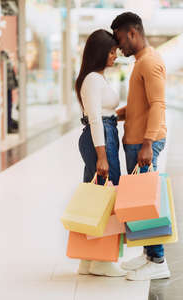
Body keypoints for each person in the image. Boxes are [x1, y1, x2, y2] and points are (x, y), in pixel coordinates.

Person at [111, 12, 170, 281]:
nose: (119, 45)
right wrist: (117, 115)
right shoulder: (141, 62)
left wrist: (147, 144)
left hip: (144, 144)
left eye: (120, 39)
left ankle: (158, 260)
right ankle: (149, 254)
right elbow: (142, 105)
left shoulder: (149, 63)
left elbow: (158, 104)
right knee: (140, 201)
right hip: (136, 141)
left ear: (133, 33)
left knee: (146, 201)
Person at [74, 29, 126, 277]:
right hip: (101, 139)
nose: (115, 55)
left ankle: (87, 258)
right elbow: (95, 118)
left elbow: (103, 114)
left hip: (103, 134)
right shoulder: (93, 79)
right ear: (100, 52)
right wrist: (102, 156)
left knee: (95, 198)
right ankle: (102, 261)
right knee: (107, 196)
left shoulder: (96, 77)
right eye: (112, 51)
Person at [0, 50, 19, 134]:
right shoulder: (5, 61)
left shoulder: (5, 61)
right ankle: (8, 127)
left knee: (9, 107)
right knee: (8, 107)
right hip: (7, 88)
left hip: (8, 88)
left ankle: (9, 126)